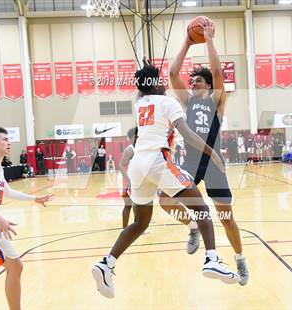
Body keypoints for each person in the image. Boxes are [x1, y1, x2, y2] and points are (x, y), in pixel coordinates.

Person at [91, 61, 239, 299]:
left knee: (140, 223)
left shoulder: (139, 103)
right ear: (155, 84)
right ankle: (212, 259)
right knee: (201, 208)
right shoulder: (168, 103)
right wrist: (212, 153)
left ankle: (106, 263)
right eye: (160, 81)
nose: (164, 84)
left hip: (138, 165)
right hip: (158, 160)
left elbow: (142, 88)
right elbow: (188, 135)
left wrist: (148, 77)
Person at [161, 18, 248, 286]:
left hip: (213, 163)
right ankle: (193, 227)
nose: (193, 83)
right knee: (165, 199)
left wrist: (209, 39)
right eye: (193, 81)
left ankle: (240, 258)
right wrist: (187, 42)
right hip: (189, 162)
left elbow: (218, 73)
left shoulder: (216, 100)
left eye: (198, 80)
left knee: (226, 218)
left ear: (208, 85)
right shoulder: (186, 102)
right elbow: (173, 74)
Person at [0, 127, 53, 307]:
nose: (9, 142)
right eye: (5, 139)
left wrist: (35, 198)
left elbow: (8, 192)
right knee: (15, 266)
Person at [118, 127, 137, 229]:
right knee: (129, 204)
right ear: (131, 138)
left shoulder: (141, 148)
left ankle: (135, 228)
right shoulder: (129, 150)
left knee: (136, 204)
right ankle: (125, 229)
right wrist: (128, 180)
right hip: (125, 178)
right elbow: (120, 166)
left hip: (135, 179)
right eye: (136, 136)